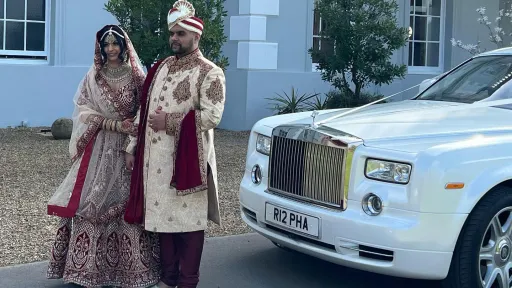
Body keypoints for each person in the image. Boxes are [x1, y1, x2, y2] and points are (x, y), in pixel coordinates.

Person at [46, 25, 160, 288]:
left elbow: (144, 108)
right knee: (92, 199)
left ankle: (133, 270)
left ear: (123, 46)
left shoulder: (135, 75)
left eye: (115, 43)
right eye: (105, 44)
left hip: (127, 149)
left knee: (126, 199)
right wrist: (112, 125)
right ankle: (87, 270)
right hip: (99, 147)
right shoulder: (93, 77)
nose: (110, 49)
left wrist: (131, 141)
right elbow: (82, 109)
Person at [122, 0, 226, 287]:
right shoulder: (162, 67)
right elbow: (144, 111)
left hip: (187, 160)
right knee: (162, 220)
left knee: (189, 222)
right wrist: (132, 146)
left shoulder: (210, 72)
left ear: (196, 35)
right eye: (172, 33)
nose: (174, 39)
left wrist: (169, 121)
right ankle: (168, 278)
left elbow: (212, 116)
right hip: (153, 159)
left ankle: (188, 281)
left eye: (180, 33)